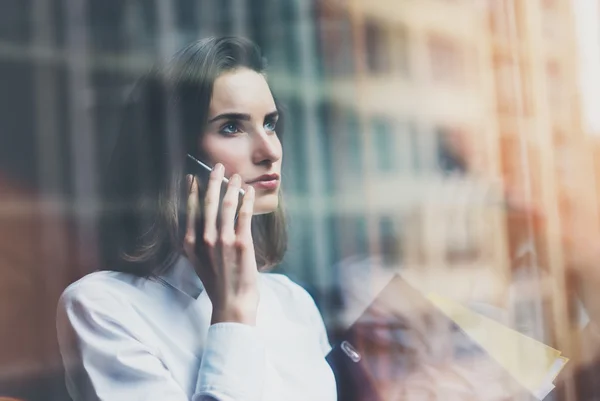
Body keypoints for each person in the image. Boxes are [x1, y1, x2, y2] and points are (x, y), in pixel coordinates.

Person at [56, 37, 337, 401]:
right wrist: (231, 314)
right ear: (174, 155)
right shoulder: (100, 308)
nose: (270, 151)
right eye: (232, 127)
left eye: (270, 123)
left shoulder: (292, 302)